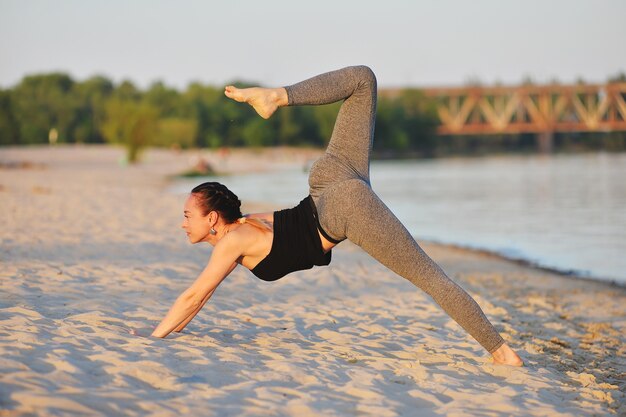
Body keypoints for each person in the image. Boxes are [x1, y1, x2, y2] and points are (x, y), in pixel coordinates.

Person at [150, 66, 523, 366]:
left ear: (213, 218)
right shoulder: (244, 225)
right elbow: (198, 301)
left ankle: (503, 353)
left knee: (429, 276)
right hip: (330, 180)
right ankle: (277, 97)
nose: (182, 223)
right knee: (363, 79)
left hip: (344, 206)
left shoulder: (232, 241)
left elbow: (195, 295)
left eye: (187, 215)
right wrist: (174, 331)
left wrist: (152, 339)